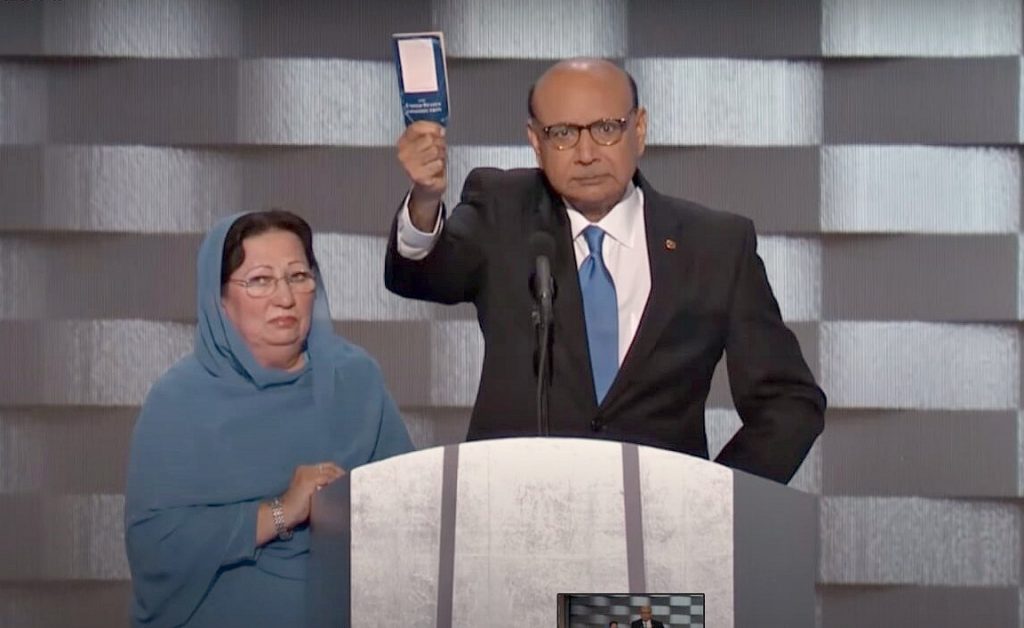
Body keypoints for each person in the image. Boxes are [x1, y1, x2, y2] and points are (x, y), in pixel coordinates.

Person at [385, 57, 825, 484]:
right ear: (535, 142)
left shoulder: (715, 245)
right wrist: (425, 200)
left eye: (606, 128)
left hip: (661, 535)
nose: (586, 153)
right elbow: (424, 275)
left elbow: (789, 401)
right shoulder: (502, 209)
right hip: (515, 521)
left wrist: (715, 498)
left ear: (639, 129)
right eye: (562, 134)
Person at [125, 210, 413, 627]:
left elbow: (408, 508)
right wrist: (282, 510)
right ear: (220, 299)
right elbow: (156, 547)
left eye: (298, 276)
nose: (285, 297)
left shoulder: (355, 379)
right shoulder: (180, 400)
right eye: (260, 280)